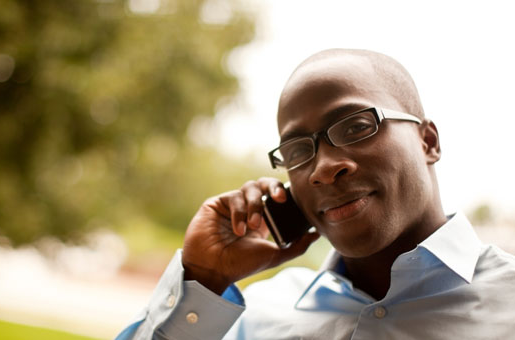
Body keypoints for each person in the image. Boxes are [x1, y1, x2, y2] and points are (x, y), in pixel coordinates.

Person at [116, 49, 515, 339]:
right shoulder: (255, 317)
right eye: (296, 151)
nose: (323, 168)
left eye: (357, 126)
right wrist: (203, 279)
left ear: (427, 141)